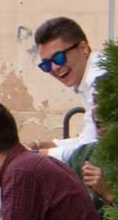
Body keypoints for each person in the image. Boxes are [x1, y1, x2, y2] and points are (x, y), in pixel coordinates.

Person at [28, 17, 103, 161]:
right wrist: (40, 146)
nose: (55, 68)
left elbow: (92, 150)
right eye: (46, 65)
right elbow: (86, 140)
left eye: (59, 57)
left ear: (83, 49)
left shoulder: (99, 81)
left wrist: (35, 156)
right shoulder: (90, 81)